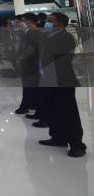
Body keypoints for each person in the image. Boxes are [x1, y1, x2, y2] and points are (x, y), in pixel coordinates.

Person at [38, 12, 86, 157]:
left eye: (50, 21)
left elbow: (61, 62)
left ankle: (77, 145)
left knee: (68, 112)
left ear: (59, 23)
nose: (47, 24)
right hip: (49, 79)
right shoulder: (50, 36)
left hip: (62, 80)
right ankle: (58, 138)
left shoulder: (66, 37)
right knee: (53, 109)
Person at [14, 13, 43, 115]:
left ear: (28, 21)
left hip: (31, 63)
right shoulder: (31, 32)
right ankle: (32, 105)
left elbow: (31, 48)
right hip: (32, 64)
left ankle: (25, 106)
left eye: (20, 21)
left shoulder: (32, 33)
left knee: (28, 86)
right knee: (31, 86)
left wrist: (20, 58)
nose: (17, 24)